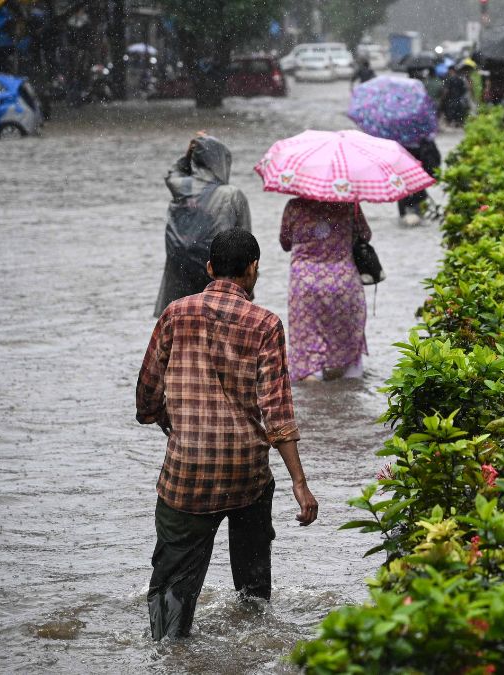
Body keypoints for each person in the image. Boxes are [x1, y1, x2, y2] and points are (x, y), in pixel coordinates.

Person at [136, 229, 318, 640]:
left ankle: (169, 655)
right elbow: (277, 411)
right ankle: (254, 649)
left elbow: (147, 390)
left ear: (209, 268)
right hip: (247, 474)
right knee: (253, 593)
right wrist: (300, 484)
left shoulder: (175, 313)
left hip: (187, 476)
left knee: (170, 591)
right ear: (253, 269)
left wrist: (160, 415)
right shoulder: (266, 324)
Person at [154, 133, 251, 317]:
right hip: (217, 275)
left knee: (183, 330)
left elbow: (172, 173)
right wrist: (248, 290)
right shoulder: (231, 195)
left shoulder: (182, 187)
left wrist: (190, 153)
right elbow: (246, 245)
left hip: (179, 275)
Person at [279, 199, 371, 381]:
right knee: (346, 343)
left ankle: (312, 390)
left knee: (307, 347)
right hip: (344, 283)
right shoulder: (350, 205)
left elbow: (285, 242)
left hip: (305, 284)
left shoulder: (294, 206)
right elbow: (365, 235)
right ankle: (348, 386)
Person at [397, 136, 441, 225]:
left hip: (404, 160)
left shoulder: (394, 135)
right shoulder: (422, 130)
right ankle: (417, 212)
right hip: (418, 161)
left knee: (403, 189)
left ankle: (407, 214)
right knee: (415, 187)